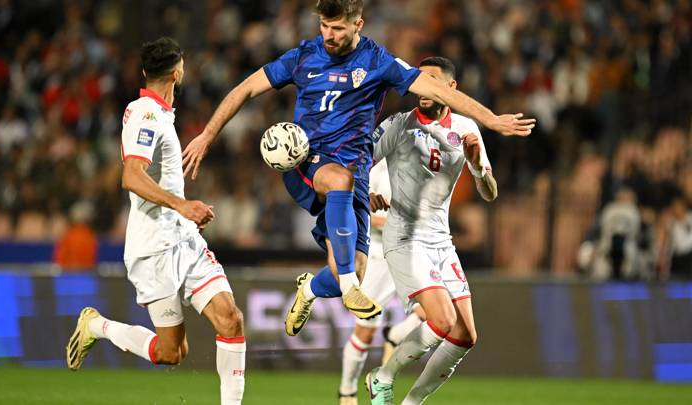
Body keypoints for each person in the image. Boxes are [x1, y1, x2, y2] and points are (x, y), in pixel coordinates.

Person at [182, 0, 534, 336]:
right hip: (308, 162)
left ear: (358, 25)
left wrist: (490, 119)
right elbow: (245, 89)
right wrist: (206, 136)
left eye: (337, 28)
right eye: (324, 26)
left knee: (350, 266)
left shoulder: (378, 61)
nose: (329, 35)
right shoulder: (303, 56)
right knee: (339, 183)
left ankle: (313, 288)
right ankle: (350, 287)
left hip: (355, 174)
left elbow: (438, 91)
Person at [65, 37, 246, 405]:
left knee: (231, 319)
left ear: (146, 72)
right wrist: (183, 205)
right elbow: (131, 175)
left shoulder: (159, 114)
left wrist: (183, 215)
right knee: (171, 353)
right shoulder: (146, 114)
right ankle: (97, 326)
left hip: (184, 241)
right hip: (154, 249)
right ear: (178, 72)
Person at [364, 56, 498, 405]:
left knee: (466, 335)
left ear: (450, 88)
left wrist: (478, 168)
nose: (420, 87)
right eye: (417, 79)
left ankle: (412, 402)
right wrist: (365, 193)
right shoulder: (397, 125)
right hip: (404, 237)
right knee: (441, 320)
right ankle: (382, 377)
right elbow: (356, 164)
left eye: (430, 80)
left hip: (440, 240)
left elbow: (489, 192)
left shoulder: (467, 129)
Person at [338, 158, 425, 405]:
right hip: (378, 254)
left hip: (408, 253)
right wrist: (392, 223)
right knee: (364, 332)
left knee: (434, 312)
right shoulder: (377, 166)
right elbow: (359, 208)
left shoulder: (419, 163)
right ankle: (347, 392)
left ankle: (396, 335)